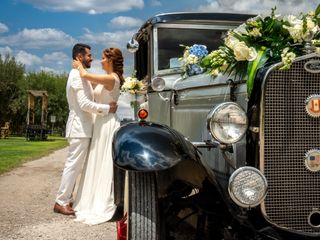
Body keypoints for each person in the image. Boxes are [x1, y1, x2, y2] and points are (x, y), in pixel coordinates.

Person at [53, 43, 117, 216]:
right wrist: (107, 109)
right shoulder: (76, 76)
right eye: (89, 55)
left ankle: (67, 198)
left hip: (86, 127)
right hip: (79, 127)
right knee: (73, 165)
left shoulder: (83, 75)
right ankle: (61, 201)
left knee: (77, 165)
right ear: (79, 57)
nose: (92, 57)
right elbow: (84, 104)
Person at [71, 47, 124, 225]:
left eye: (102, 58)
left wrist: (79, 65)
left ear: (109, 61)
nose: (99, 61)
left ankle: (101, 201)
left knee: (104, 163)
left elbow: (86, 76)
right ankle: (90, 198)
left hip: (108, 123)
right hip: (100, 123)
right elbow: (87, 85)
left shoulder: (111, 78)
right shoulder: (105, 80)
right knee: (96, 160)